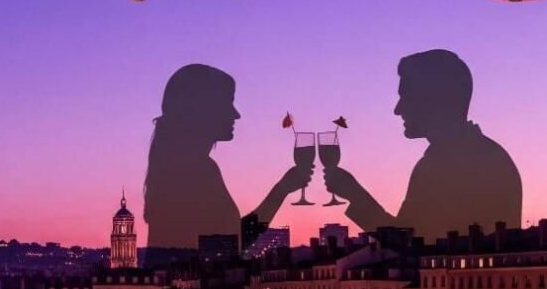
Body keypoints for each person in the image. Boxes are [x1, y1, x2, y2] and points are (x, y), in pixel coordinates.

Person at [323, 48, 522, 241]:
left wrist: (356, 195)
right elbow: (410, 239)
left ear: (433, 101)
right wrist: (355, 195)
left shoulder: (443, 166)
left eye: (405, 97)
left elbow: (408, 245)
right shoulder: (483, 155)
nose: (397, 109)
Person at [144, 64, 312, 249]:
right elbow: (232, 244)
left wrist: (282, 189)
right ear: (202, 109)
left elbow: (229, 241)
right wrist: (281, 190)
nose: (236, 114)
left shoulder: (176, 168)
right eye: (227, 103)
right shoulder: (197, 171)